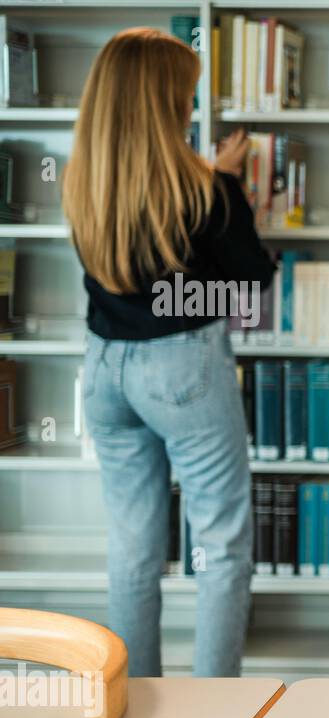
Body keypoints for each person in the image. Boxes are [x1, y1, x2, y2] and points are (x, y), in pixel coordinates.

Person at [63, 28, 275, 676]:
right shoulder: (205, 187)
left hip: (104, 371)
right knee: (222, 546)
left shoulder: (82, 182)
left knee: (131, 548)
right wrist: (234, 193)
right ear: (165, 103)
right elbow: (252, 286)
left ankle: (134, 698)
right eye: (184, 95)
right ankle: (213, 711)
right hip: (182, 371)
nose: (190, 107)